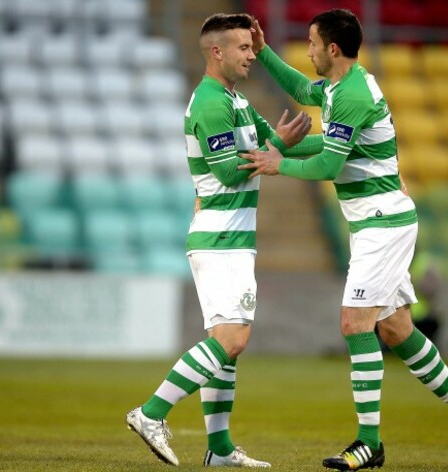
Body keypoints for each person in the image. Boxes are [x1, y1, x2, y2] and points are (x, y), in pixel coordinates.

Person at [239, 9, 448, 471]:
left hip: (382, 223)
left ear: (332, 49)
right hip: (376, 221)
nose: (309, 50)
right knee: (396, 330)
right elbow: (302, 93)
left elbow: (329, 166)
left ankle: (369, 443)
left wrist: (280, 162)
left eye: (313, 43)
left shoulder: (351, 94)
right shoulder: (342, 87)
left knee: (356, 324)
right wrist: (263, 51)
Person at [125, 13, 314, 468]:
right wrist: (279, 150)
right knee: (232, 339)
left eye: (252, 48)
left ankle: (220, 449)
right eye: (244, 48)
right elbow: (229, 171)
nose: (252, 55)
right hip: (219, 238)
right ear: (217, 52)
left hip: (233, 238)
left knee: (224, 348)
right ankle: (151, 413)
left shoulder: (237, 101)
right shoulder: (211, 103)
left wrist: (350, 146)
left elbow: (277, 144)